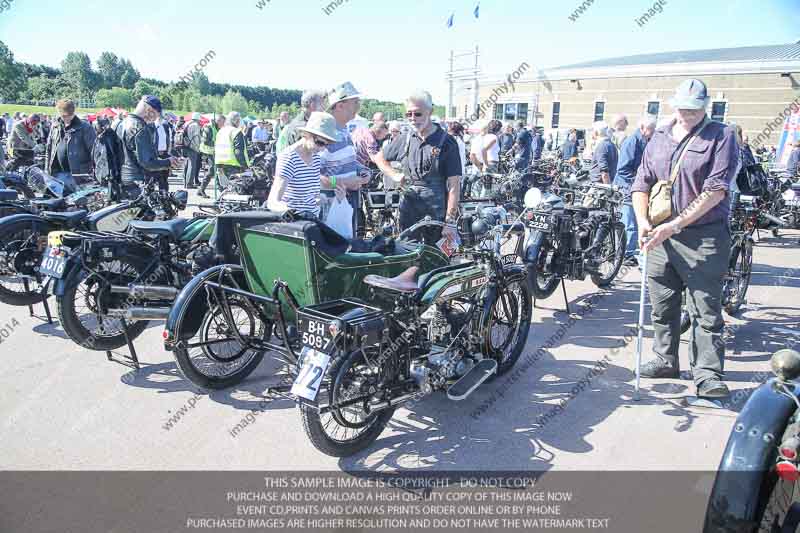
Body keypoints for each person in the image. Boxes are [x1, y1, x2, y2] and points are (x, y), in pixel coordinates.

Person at [632, 78, 738, 399]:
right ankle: (665, 359)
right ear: (672, 105)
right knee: (663, 304)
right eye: (681, 108)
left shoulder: (722, 135)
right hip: (660, 236)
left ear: (705, 107)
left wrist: (675, 225)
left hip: (703, 237)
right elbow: (642, 182)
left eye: (693, 110)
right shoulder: (660, 136)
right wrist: (641, 222)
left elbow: (716, 190)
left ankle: (707, 374)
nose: (686, 114)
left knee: (705, 308)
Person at [383, 90, 462, 241]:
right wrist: (393, 174)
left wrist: (450, 222)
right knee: (406, 253)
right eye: (409, 114)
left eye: (418, 114)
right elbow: (380, 158)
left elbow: (454, 185)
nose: (413, 118)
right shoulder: (405, 138)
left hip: (436, 211)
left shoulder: (447, 142)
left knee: (435, 258)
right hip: (408, 207)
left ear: (430, 111)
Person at [318, 82, 371, 236]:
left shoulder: (344, 130)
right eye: (355, 102)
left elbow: (347, 162)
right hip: (330, 209)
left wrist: (362, 171)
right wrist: (344, 183)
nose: (358, 106)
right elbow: (315, 176)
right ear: (340, 106)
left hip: (344, 205)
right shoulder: (325, 134)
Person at [266, 112, 339, 217]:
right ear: (306, 134)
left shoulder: (316, 156)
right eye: (320, 143)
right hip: (296, 225)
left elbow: (312, 191)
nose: (322, 149)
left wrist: (323, 197)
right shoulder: (289, 158)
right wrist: (288, 211)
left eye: (327, 145)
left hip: (313, 220)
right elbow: (273, 201)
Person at [614, 114, 657, 266]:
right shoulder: (632, 142)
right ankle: (625, 254)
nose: (653, 132)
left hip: (633, 187)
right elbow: (623, 169)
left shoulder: (643, 141)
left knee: (631, 222)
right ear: (643, 128)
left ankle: (627, 252)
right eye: (651, 129)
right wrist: (639, 182)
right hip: (628, 189)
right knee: (629, 223)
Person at [120, 95, 178, 199]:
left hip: (121, 182)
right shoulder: (140, 127)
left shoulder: (122, 123)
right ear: (149, 110)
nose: (154, 119)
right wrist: (168, 162)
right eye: (156, 115)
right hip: (136, 184)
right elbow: (147, 162)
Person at [44, 99, 96, 182]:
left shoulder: (86, 128)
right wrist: (47, 169)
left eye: (68, 116)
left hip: (78, 175)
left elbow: (94, 152)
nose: (66, 118)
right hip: (56, 173)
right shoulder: (55, 126)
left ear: (73, 113)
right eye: (63, 116)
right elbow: (49, 149)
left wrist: (93, 174)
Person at [214, 111, 250, 187]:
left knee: (225, 191)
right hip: (234, 165)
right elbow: (238, 152)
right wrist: (245, 166)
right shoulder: (236, 132)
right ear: (236, 121)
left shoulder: (220, 131)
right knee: (237, 191)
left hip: (220, 165)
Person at [92, 117, 124, 200]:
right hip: (105, 171)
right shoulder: (101, 137)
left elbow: (111, 155)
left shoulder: (109, 136)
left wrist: (112, 172)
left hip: (110, 172)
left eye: (96, 127)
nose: (95, 129)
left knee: (112, 194)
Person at [198, 114, 226, 198]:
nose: (223, 124)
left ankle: (219, 188)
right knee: (212, 171)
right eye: (223, 122)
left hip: (215, 151)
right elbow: (205, 141)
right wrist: (218, 143)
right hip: (209, 151)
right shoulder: (209, 127)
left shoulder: (217, 127)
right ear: (218, 121)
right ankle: (202, 190)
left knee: (217, 169)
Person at [182, 113, 203, 189]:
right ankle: (189, 183)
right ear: (198, 119)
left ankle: (185, 182)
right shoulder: (195, 125)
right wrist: (198, 148)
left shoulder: (187, 123)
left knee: (186, 165)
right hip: (192, 147)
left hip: (184, 145)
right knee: (192, 165)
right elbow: (196, 138)